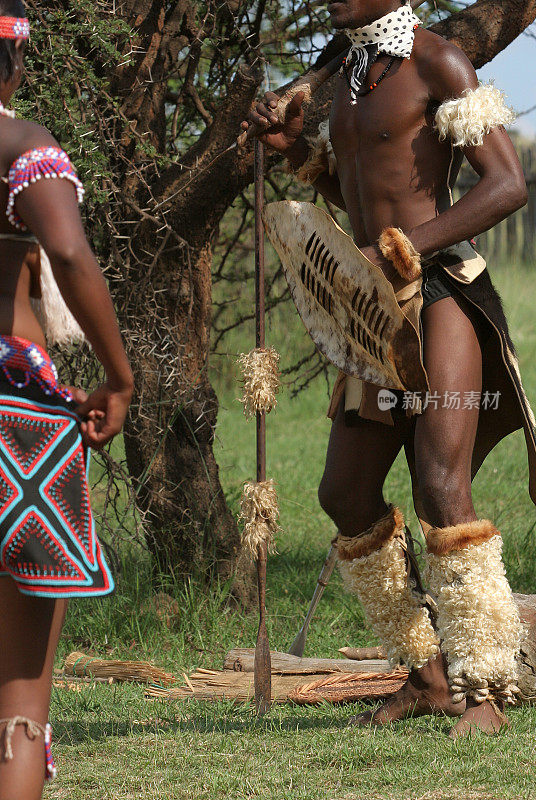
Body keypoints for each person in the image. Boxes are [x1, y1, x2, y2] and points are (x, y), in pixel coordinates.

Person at [241, 0, 536, 737]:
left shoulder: (436, 60)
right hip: (377, 312)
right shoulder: (346, 79)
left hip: (441, 294)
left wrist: (405, 248)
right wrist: (289, 149)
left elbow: (505, 184)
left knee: (441, 484)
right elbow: (358, 197)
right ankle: (427, 677)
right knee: (345, 492)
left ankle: (485, 689)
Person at [0, 2, 133, 796]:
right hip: (17, 422)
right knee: (18, 701)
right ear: (13, 63)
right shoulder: (23, 146)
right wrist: (119, 378)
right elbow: (70, 250)